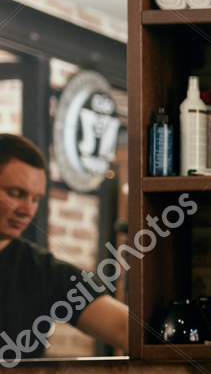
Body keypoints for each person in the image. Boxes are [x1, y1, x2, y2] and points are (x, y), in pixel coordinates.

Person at [0, 133, 128, 358]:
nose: (27, 210)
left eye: (35, 199)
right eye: (16, 193)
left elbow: (124, 329)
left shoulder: (42, 271)